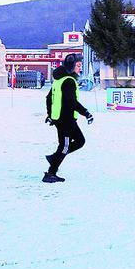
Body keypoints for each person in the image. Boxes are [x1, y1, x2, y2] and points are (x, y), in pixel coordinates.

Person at [43, 53, 94, 183]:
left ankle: (54, 157)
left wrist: (50, 115)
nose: (80, 68)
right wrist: (86, 113)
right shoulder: (69, 81)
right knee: (64, 146)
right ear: (71, 67)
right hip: (65, 120)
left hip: (63, 119)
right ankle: (51, 172)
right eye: (78, 65)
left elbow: (49, 99)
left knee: (80, 141)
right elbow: (72, 102)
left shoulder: (59, 80)